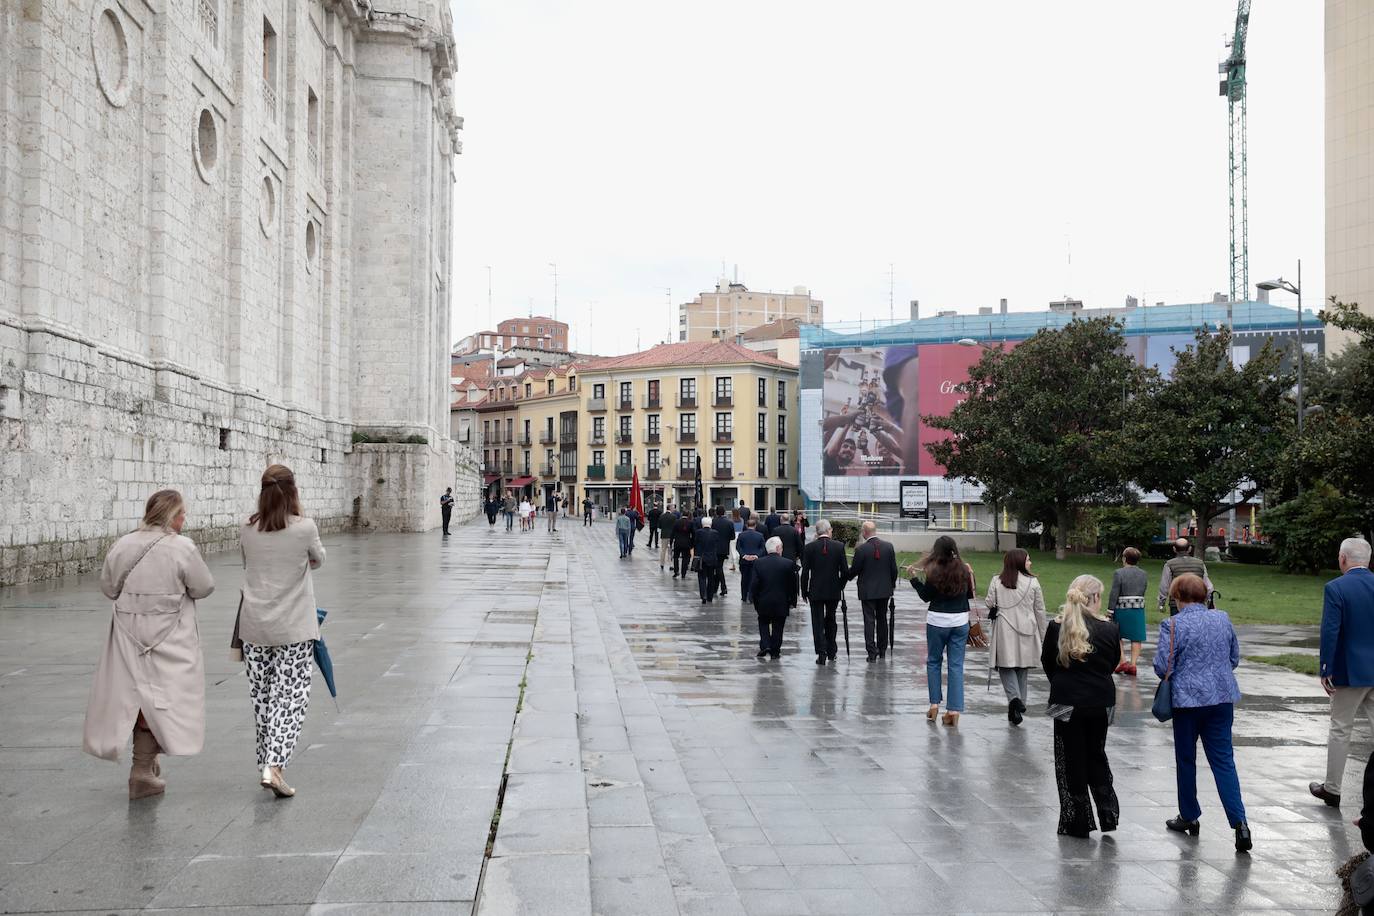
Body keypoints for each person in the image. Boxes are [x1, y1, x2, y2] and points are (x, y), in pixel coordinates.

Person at [83, 490, 215, 799]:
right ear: (172, 516)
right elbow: (204, 586)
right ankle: (141, 770)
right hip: (169, 637)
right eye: (182, 514)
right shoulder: (182, 548)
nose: (185, 520)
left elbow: (108, 587)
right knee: (161, 699)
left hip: (127, 636)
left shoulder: (123, 544)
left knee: (134, 697)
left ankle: (145, 764)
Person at [236, 464, 326, 798]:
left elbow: (248, 564)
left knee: (262, 698)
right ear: (293, 491)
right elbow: (318, 559)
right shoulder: (304, 528)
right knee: (290, 697)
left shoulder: (248, 528)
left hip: (254, 625)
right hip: (294, 627)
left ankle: (268, 763)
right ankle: (274, 766)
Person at [1154, 573, 1252, 852]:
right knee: (1224, 761)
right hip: (1221, 699)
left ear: (1177, 597)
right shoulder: (1222, 618)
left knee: (1186, 759)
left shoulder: (1172, 625)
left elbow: (1163, 667)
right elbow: (1234, 657)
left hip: (1187, 702)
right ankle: (1240, 824)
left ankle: (1189, 815)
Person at [1040, 575, 1120, 838]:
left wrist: (1063, 682)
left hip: (1066, 699)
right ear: (1095, 598)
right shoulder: (1109, 629)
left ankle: (1077, 818)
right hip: (1100, 701)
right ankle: (1107, 810)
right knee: (1096, 753)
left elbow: (1047, 662)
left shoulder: (1056, 627)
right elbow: (1112, 663)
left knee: (1069, 758)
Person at [1310, 537, 1374, 808]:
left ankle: (1333, 788)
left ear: (1343, 559)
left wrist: (1326, 667)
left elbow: (1330, 630)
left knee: (1340, 728)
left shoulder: (1336, 588)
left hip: (1350, 669)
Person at [908, 535, 975, 725]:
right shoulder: (964, 568)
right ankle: (953, 710)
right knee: (956, 665)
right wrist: (970, 574)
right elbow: (969, 594)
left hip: (937, 620)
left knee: (934, 662)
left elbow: (925, 596)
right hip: (960, 620)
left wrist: (914, 579)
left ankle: (934, 705)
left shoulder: (934, 570)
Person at [985, 548, 1047, 725]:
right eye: (1028, 559)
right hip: (1028, 628)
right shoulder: (1033, 582)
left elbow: (989, 603)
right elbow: (1040, 610)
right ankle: (1019, 704)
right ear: (1019, 562)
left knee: (1005, 666)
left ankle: (1015, 700)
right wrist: (1044, 635)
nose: (1030, 562)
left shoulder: (997, 581)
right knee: (1022, 667)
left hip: (1004, 628)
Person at [848, 521, 897, 664]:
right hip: (884, 590)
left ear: (864, 532)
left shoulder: (861, 550)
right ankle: (882, 650)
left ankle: (871, 651)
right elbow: (893, 569)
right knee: (882, 619)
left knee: (869, 621)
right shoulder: (888, 547)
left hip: (867, 591)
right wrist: (892, 584)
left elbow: (854, 570)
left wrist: (845, 577)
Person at [800, 519, 848, 665]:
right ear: (828, 531)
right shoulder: (839, 547)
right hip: (833, 590)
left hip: (816, 590)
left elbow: (805, 572)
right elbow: (845, 572)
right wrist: (840, 586)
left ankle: (821, 653)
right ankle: (832, 651)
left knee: (817, 622)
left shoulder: (809, 548)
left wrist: (804, 591)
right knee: (831, 619)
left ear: (817, 532)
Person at [752, 537, 798, 659]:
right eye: (781, 547)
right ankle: (775, 650)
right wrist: (793, 601)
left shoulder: (758, 563)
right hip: (781, 601)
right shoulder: (788, 563)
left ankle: (766, 644)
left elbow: (754, 584)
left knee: (763, 623)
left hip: (764, 600)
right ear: (778, 548)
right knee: (778, 626)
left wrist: (755, 600)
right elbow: (793, 585)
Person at [1107, 547, 1148, 675]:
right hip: (1138, 609)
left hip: (1122, 609)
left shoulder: (1119, 573)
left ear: (1124, 558)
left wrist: (1110, 611)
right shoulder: (1143, 574)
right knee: (1136, 637)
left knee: (1117, 636)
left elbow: (1114, 593)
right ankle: (1133, 664)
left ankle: (1123, 661)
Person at [1158, 538, 1212, 615]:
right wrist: (1209, 600)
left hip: (1177, 603)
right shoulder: (1200, 564)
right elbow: (1207, 585)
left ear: (1174, 549)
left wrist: (1161, 603)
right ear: (1189, 549)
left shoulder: (1169, 564)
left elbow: (1164, 586)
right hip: (1198, 603)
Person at [736, 517, 766, 602]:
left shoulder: (741, 535)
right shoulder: (760, 535)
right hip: (755, 560)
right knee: (754, 578)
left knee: (744, 578)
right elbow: (762, 548)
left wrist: (744, 555)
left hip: (744, 560)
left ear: (746, 525)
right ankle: (751, 596)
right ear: (755, 526)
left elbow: (738, 547)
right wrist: (757, 555)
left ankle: (744, 596)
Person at [693, 517, 721, 604]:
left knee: (702, 577)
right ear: (711, 524)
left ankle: (703, 595)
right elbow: (717, 544)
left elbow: (695, 543)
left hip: (702, 558)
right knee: (711, 578)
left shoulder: (699, 532)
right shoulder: (715, 533)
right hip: (712, 558)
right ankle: (710, 596)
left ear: (702, 524)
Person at [711, 506, 736, 597]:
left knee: (718, 568)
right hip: (724, 548)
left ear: (716, 513)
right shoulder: (729, 523)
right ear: (724, 512)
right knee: (719, 567)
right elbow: (732, 537)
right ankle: (716, 588)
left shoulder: (713, 522)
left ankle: (722, 587)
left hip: (714, 548)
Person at [671, 511, 696, 579]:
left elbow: (672, 533)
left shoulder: (676, 522)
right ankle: (683, 573)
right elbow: (693, 534)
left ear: (682, 514)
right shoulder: (690, 523)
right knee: (685, 558)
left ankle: (676, 571)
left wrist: (671, 542)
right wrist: (692, 543)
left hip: (677, 542)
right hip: (686, 543)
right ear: (688, 515)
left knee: (676, 557)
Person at [657, 504, 679, 569]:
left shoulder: (661, 516)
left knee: (663, 550)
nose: (673, 509)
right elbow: (676, 527)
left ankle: (662, 564)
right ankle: (671, 565)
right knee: (671, 550)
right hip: (672, 536)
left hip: (664, 535)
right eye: (672, 508)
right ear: (670, 508)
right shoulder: (674, 517)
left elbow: (659, 526)